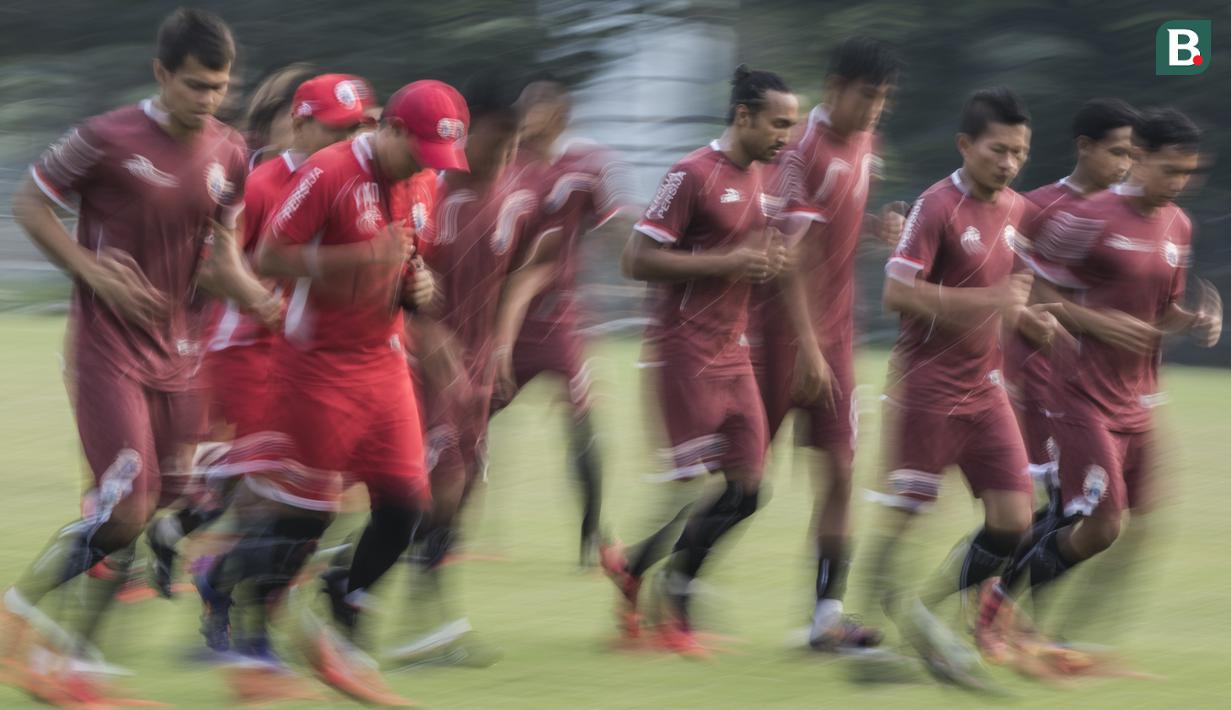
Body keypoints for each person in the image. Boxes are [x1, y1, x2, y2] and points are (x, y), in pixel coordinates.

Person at [2, 7, 277, 702]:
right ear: (161, 74)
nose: (208, 99)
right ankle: (17, 616)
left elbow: (224, 257)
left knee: (155, 510)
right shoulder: (107, 137)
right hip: (107, 351)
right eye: (194, 85)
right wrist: (88, 271)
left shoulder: (232, 153)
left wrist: (267, 305)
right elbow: (30, 202)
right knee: (125, 508)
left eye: (219, 87)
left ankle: (79, 669)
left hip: (181, 359)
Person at [227, 79, 467, 704]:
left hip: (383, 360)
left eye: (436, 160)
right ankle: (233, 605)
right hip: (316, 364)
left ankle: (343, 606)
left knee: (405, 505)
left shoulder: (424, 181)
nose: (426, 167)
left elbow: (413, 259)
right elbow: (271, 259)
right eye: (417, 151)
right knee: (306, 515)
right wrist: (357, 258)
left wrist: (420, 286)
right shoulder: (329, 171)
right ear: (387, 129)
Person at [976, 108, 1220, 662]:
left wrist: (1196, 320)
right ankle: (998, 609)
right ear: (1140, 158)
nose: (1180, 183)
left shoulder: (1178, 225)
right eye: (1170, 169)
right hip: (1079, 394)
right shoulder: (1088, 219)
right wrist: (1097, 321)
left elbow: (1162, 311)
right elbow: (1032, 294)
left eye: (1189, 173)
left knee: (1132, 527)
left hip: (1138, 399)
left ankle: (1034, 630)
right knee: (1101, 523)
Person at [144, 73, 374, 602]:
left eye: (352, 132)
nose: (343, 143)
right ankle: (224, 593)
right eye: (333, 131)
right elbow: (204, 266)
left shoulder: (347, 186)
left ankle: (185, 539)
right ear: (297, 125)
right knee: (290, 495)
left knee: (301, 493)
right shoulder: (262, 183)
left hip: (302, 359)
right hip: (247, 352)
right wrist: (262, 300)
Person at [863, 87, 1059, 684]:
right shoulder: (935, 205)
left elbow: (1005, 296)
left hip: (986, 388)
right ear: (965, 145)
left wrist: (1026, 318)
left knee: (1014, 519)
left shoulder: (1018, 212)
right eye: (998, 150)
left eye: (1019, 152)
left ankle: (925, 609)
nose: (1009, 163)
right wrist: (995, 302)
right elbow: (896, 293)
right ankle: (877, 628)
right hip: (927, 386)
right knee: (905, 516)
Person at [602, 65, 797, 654]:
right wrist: (729, 263)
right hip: (683, 348)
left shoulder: (766, 177)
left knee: (749, 490)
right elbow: (635, 259)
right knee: (688, 489)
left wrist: (768, 263)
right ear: (743, 116)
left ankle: (643, 570)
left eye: (791, 124)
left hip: (735, 351)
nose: (786, 135)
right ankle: (666, 604)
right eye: (778, 123)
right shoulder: (690, 174)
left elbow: (745, 255)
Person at [383, 75, 565, 662]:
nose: (508, 152)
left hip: (481, 366)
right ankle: (400, 611)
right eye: (498, 138)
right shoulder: (431, 195)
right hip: (426, 364)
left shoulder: (519, 193)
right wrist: (434, 347)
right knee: (436, 493)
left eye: (516, 141)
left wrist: (505, 342)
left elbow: (529, 268)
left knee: (460, 499)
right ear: (468, 135)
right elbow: (396, 289)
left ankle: (386, 596)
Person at [750, 36, 901, 651]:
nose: (875, 110)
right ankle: (662, 572)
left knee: (840, 473)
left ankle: (825, 620)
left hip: (837, 336)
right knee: (742, 482)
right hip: (780, 338)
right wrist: (809, 349)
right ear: (835, 87)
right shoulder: (801, 149)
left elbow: (834, 234)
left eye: (884, 99)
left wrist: (875, 230)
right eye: (868, 96)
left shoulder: (868, 143)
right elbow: (790, 262)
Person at [488, 80, 634, 567]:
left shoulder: (586, 167)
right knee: (471, 417)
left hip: (560, 319)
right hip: (501, 318)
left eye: (540, 106)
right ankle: (440, 522)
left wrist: (648, 255)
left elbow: (616, 226)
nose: (528, 113)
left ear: (562, 114)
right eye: (525, 104)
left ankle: (592, 533)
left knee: (582, 422)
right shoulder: (506, 163)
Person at [1004, 98, 1137, 535]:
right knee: (1062, 502)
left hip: (1102, 389)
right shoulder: (1036, 207)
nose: (1126, 165)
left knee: (1082, 508)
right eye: (1118, 152)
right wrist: (1026, 318)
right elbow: (1004, 281)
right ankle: (979, 586)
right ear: (1085, 146)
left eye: (1133, 155)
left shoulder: (1132, 217)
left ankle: (989, 588)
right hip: (1038, 378)